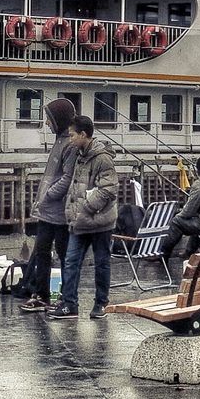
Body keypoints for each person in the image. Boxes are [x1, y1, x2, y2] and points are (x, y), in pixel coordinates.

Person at [50, 116, 118, 319]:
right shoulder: (80, 155)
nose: (70, 139)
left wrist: (85, 209)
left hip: (99, 221)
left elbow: (109, 189)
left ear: (83, 134)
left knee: (101, 262)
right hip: (80, 221)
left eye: (72, 135)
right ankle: (70, 303)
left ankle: (101, 303)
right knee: (71, 261)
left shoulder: (102, 158)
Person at [18, 97, 77, 312]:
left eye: (49, 119)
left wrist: (47, 195)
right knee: (42, 252)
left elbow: (67, 177)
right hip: (47, 211)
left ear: (59, 120)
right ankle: (41, 295)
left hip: (60, 212)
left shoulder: (69, 145)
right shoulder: (60, 141)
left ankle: (67, 298)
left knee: (63, 255)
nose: (47, 123)